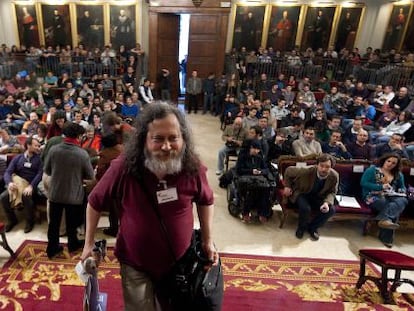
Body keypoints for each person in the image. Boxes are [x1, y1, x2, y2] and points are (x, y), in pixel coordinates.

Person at [80, 102, 222, 310]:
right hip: (136, 264)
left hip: (178, 262)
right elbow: (94, 202)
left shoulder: (192, 168)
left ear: (183, 139)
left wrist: (207, 241)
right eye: (158, 139)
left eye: (173, 138)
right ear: (144, 140)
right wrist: (88, 243)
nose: (166, 146)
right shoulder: (123, 167)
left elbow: (205, 200)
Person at [44, 122, 95, 259]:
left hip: (55, 192)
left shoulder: (54, 149)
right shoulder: (82, 154)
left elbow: (47, 170)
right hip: (74, 194)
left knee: (53, 224)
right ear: (78, 136)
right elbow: (90, 176)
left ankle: (52, 248)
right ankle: (73, 244)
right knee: (72, 224)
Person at [283, 154, 338, 241]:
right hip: (302, 192)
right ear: (317, 165)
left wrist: (326, 203)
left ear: (331, 167)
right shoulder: (307, 170)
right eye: (321, 166)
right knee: (305, 208)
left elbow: (332, 192)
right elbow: (288, 171)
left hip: (319, 196)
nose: (323, 169)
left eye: (327, 167)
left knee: (331, 210)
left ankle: (312, 227)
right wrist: (287, 186)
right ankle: (301, 228)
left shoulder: (334, 176)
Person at [360, 153, 408, 248]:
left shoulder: (398, 174)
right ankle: (386, 236)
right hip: (372, 196)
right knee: (391, 206)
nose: (390, 164)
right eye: (388, 161)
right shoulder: (373, 170)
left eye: (393, 163)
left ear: (396, 165)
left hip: (391, 195)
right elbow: (363, 183)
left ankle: (384, 220)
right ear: (384, 160)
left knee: (402, 201)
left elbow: (403, 187)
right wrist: (380, 187)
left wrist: (402, 190)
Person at [0, 137, 42, 233]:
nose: (38, 147)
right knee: (3, 197)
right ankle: (12, 220)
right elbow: (8, 172)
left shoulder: (39, 159)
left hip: (30, 185)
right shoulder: (18, 158)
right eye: (36, 145)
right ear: (28, 146)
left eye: (39, 146)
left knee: (26, 195)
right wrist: (9, 183)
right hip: (17, 184)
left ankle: (29, 221)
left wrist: (31, 186)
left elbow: (40, 174)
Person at [236, 139, 271, 223]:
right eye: (254, 149)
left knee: (267, 188)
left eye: (258, 149)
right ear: (250, 148)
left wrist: (260, 172)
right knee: (253, 188)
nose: (256, 151)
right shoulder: (243, 156)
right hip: (246, 178)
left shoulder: (259, 157)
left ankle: (262, 213)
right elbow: (239, 170)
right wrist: (251, 171)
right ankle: (246, 212)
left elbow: (266, 169)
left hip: (258, 178)